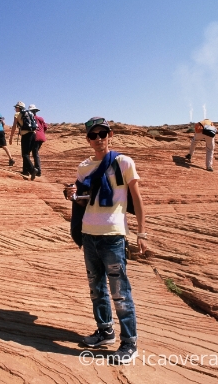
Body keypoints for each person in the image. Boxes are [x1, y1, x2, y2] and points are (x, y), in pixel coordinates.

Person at [64, 117, 148, 364]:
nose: (99, 139)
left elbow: (137, 198)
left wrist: (141, 233)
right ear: (88, 140)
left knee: (120, 292)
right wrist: (71, 194)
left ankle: (129, 343)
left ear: (110, 135)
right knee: (96, 288)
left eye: (103, 134)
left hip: (113, 235)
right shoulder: (84, 167)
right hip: (89, 233)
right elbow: (84, 199)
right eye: (94, 135)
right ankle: (105, 331)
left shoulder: (124, 162)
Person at [9, 101, 36, 180]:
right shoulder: (29, 113)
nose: (15, 109)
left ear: (18, 108)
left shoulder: (17, 114)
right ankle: (25, 171)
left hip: (26, 135)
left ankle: (32, 170)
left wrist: (11, 137)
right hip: (33, 134)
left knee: (25, 154)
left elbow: (14, 126)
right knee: (27, 153)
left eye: (16, 107)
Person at [28, 104, 47, 177]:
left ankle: (38, 170)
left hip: (35, 137)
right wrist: (42, 133)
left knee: (35, 153)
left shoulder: (30, 118)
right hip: (42, 137)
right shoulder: (40, 118)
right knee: (35, 152)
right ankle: (36, 169)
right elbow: (45, 127)